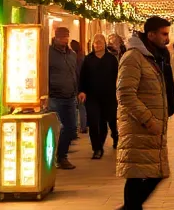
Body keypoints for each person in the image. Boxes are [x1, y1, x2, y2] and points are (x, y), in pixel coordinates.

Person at [115, 16, 174, 210]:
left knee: (153, 172)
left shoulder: (154, 57)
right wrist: (148, 120)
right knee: (137, 174)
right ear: (150, 35)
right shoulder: (133, 57)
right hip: (139, 126)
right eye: (164, 34)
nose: (167, 38)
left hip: (153, 125)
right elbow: (125, 94)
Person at [80, 33, 120, 158]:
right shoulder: (88, 59)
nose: (97, 44)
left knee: (106, 121)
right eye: (95, 42)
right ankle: (97, 149)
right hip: (92, 96)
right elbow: (83, 77)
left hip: (108, 96)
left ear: (104, 44)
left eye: (100, 42)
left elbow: (117, 77)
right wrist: (82, 91)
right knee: (93, 122)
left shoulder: (111, 59)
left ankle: (112, 138)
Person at [48, 25, 80, 170]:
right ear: (56, 37)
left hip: (70, 96)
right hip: (55, 97)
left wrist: (77, 90)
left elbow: (75, 73)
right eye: (62, 37)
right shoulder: (48, 53)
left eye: (66, 36)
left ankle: (62, 156)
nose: (65, 39)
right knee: (57, 129)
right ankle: (56, 157)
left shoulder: (71, 54)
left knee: (71, 128)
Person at [70, 38, 89, 136]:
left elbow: (76, 73)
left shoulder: (74, 58)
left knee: (77, 107)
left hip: (76, 85)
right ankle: (83, 126)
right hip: (82, 84)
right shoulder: (83, 57)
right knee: (82, 107)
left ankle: (80, 127)